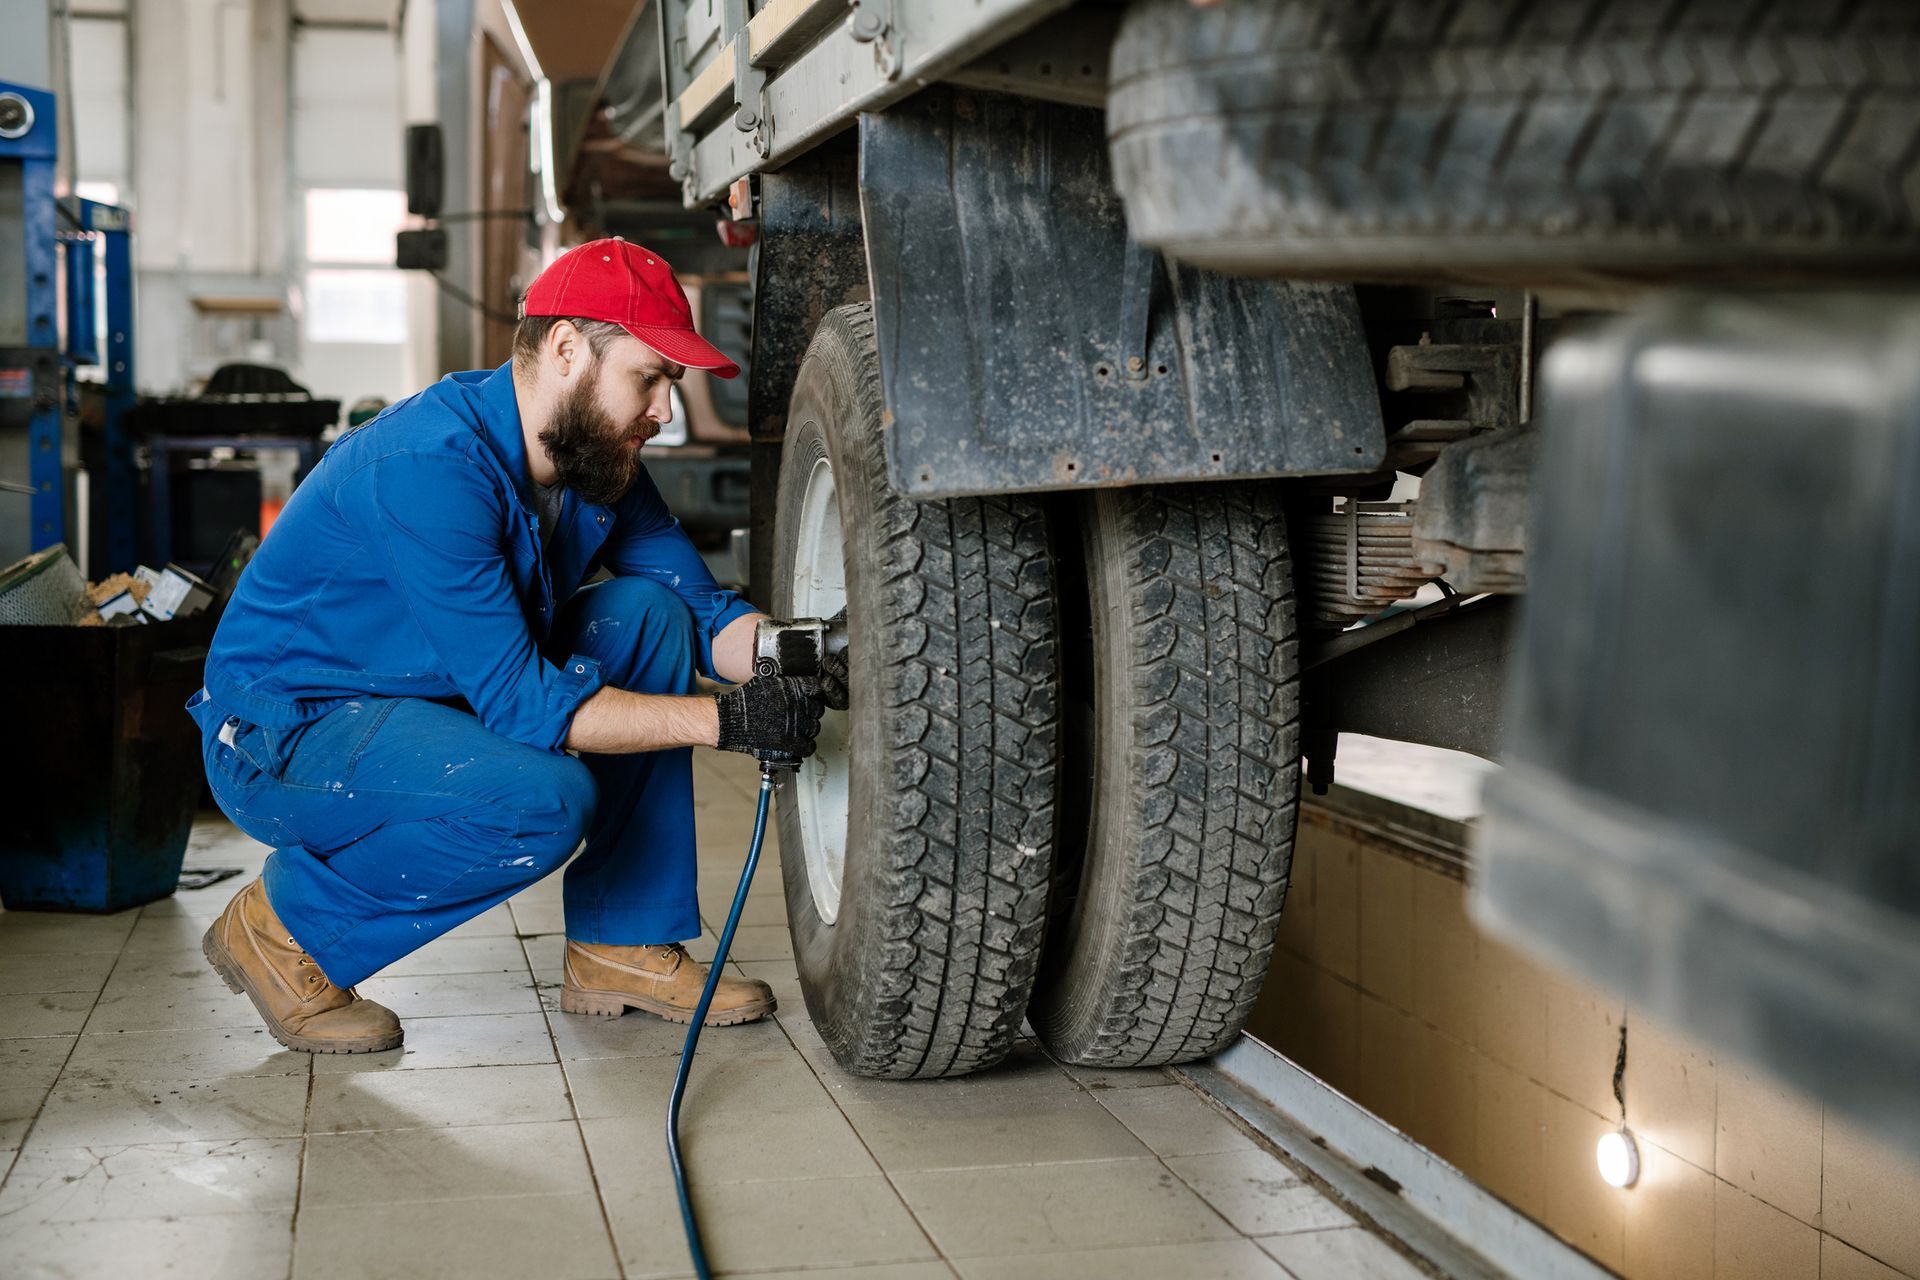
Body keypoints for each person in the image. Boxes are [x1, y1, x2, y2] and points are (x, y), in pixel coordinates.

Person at [187, 239, 840, 1053]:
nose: (665, 411)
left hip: (429, 695)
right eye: (651, 378)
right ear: (567, 348)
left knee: (645, 615)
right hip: (290, 730)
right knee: (539, 799)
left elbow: (703, 612)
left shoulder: (598, 465)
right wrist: (727, 722)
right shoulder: (430, 466)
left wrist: (809, 655)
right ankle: (284, 933)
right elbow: (528, 706)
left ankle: (621, 941)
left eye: (672, 385)